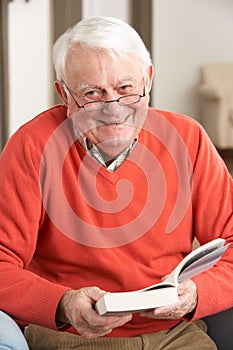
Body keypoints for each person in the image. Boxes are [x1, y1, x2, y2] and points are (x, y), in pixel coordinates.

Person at [0, 16, 232, 350]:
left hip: (174, 336)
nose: (113, 110)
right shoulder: (32, 146)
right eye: (92, 93)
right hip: (68, 338)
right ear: (64, 93)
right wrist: (62, 304)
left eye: (126, 89)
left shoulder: (188, 138)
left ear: (147, 79)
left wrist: (199, 293)